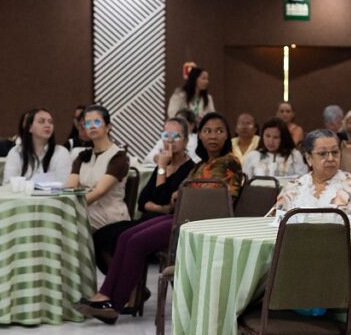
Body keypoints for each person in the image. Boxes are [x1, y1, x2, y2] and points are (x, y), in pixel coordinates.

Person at [75, 112, 241, 323]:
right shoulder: (202, 165)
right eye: (207, 131)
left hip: (201, 223)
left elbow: (216, 196)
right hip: (183, 215)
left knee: (135, 242)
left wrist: (183, 193)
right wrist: (182, 194)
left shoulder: (229, 162)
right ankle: (105, 297)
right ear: (200, 136)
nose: (213, 136)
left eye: (219, 131)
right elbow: (174, 195)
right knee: (127, 236)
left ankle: (113, 305)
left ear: (227, 136)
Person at [92, 118, 196, 273]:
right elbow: (142, 201)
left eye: (176, 136)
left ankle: (126, 288)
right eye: (166, 135)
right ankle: (124, 283)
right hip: (146, 219)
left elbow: (163, 198)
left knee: (123, 239)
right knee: (99, 236)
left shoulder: (189, 169)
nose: (170, 140)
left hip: (162, 225)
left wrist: (161, 168)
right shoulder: (165, 163)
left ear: (186, 141)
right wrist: (161, 207)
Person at [272, 129, 351, 217]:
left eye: (335, 152)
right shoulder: (294, 187)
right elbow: (274, 221)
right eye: (322, 153)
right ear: (308, 158)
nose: (331, 158)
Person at [68, 104, 131, 230]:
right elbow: (70, 187)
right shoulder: (82, 156)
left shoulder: (119, 156)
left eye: (96, 122)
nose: (91, 126)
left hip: (110, 216)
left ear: (108, 127)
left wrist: (71, 206)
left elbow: (99, 191)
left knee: (68, 219)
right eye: (87, 123)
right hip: (86, 210)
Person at [2, 108, 72, 184]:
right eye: (41, 121)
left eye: (50, 122)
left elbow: (63, 185)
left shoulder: (61, 153)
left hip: (52, 195)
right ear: (30, 128)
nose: (47, 125)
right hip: (20, 195)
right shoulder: (15, 152)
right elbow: (8, 184)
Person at [242, 118, 308, 179]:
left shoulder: (294, 155)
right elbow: (245, 182)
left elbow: (302, 179)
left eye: (276, 137)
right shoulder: (253, 155)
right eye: (267, 136)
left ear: (283, 138)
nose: (271, 141)